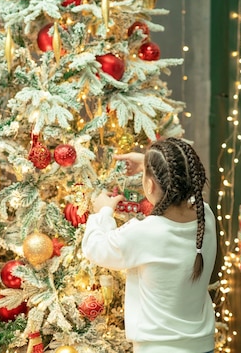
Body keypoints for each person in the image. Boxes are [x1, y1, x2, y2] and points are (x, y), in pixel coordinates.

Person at [82, 137, 216, 353]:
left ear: (150, 185)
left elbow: (95, 247)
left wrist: (103, 211)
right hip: (202, 346)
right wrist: (148, 163)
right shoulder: (205, 216)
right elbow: (179, 178)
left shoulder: (145, 232)